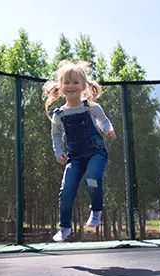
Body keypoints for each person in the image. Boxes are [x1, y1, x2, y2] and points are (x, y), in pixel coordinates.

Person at [42, 60, 116, 242]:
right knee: (66, 190)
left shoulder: (91, 107)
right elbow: (57, 135)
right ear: (60, 86)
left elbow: (103, 120)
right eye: (66, 82)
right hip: (74, 157)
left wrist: (108, 130)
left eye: (75, 82)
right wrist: (59, 152)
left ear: (83, 86)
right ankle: (65, 227)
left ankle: (96, 210)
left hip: (96, 152)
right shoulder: (59, 114)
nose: (71, 86)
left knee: (92, 178)